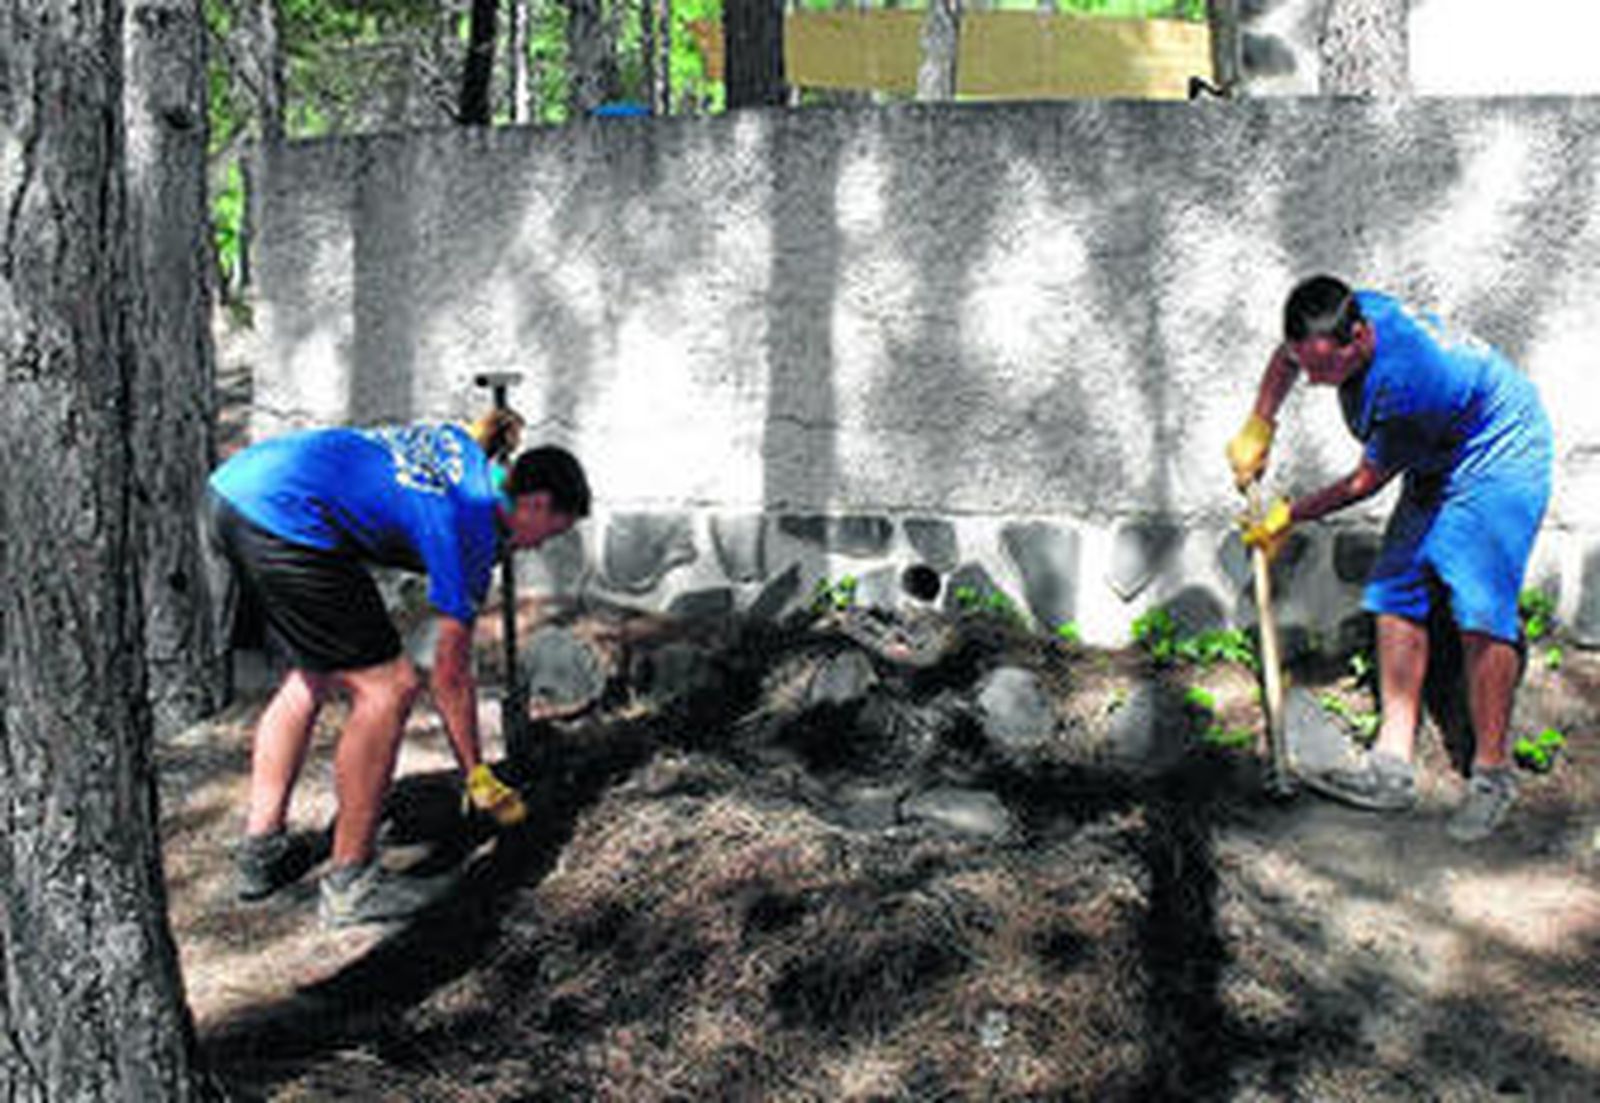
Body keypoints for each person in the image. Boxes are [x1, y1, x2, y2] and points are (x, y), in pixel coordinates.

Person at [209, 411, 590, 925]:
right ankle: (351, 884)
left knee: (311, 674)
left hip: (237, 490)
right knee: (389, 688)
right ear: (536, 503)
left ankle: (262, 852)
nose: (540, 545)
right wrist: (476, 773)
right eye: (550, 531)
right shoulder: (469, 529)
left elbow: (419, 469)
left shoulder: (469, 449)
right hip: (287, 518)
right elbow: (449, 676)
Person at [1228, 275, 1552, 841]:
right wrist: (1261, 421)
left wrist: (1287, 514)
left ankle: (1493, 777)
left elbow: (1363, 483)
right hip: (1443, 449)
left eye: (1325, 370)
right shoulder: (1339, 316)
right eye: (1310, 368)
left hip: (1500, 455)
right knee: (1394, 589)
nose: (1317, 381)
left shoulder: (1408, 386)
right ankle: (1390, 767)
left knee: (1479, 607)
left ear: (1359, 338)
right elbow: (1287, 359)